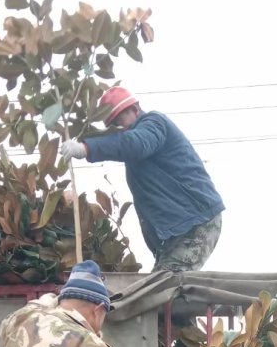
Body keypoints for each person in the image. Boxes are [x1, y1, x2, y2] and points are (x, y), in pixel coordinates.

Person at [60, 87, 224, 272]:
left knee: (166, 287)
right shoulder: (137, 151)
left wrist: (87, 148)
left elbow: (134, 143)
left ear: (135, 110)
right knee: (159, 289)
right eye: (113, 125)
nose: (119, 130)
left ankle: (231, 302)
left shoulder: (154, 124)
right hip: (177, 231)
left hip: (197, 221)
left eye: (119, 121)